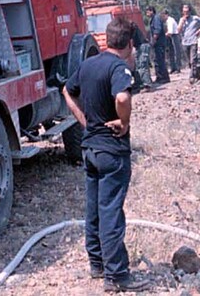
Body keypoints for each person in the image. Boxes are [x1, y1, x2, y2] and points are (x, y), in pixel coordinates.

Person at [63, 18, 150, 292]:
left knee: (94, 209)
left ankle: (97, 263)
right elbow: (122, 99)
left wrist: (84, 121)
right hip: (112, 151)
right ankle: (117, 277)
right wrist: (123, 123)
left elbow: (67, 90)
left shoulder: (88, 64)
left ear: (106, 39)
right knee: (111, 210)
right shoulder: (119, 68)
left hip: (90, 148)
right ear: (130, 43)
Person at [177, 4, 200, 84]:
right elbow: (178, 31)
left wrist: (199, 31)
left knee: (193, 60)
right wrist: (181, 23)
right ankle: (197, 75)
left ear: (190, 11)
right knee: (189, 62)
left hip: (193, 41)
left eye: (187, 11)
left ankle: (192, 77)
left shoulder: (195, 18)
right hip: (185, 42)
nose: (186, 13)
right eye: (184, 12)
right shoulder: (181, 20)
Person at [145, 5, 170, 84]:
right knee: (157, 60)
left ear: (152, 11)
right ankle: (160, 77)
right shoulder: (153, 19)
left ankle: (163, 77)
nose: (147, 13)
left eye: (148, 11)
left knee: (159, 60)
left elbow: (157, 30)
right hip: (158, 43)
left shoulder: (156, 19)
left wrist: (153, 41)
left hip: (159, 43)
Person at [131, 24, 153, 91]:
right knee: (140, 66)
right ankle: (142, 83)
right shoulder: (135, 29)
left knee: (142, 66)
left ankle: (147, 85)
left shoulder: (133, 30)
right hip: (141, 46)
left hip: (142, 46)